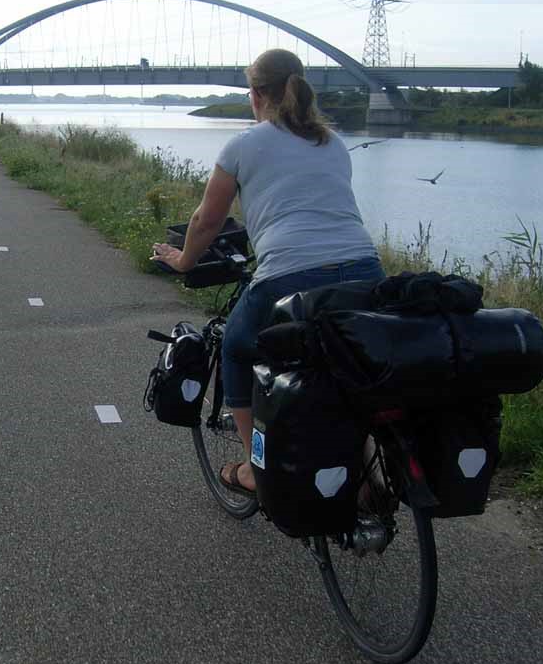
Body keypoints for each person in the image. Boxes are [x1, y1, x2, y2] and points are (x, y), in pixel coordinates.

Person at [150, 48, 384, 496]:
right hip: (364, 268)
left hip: (288, 274)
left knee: (238, 348)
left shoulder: (244, 144)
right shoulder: (331, 142)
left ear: (256, 94)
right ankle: (368, 464)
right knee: (347, 358)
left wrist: (183, 260)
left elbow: (206, 221)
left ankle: (256, 469)